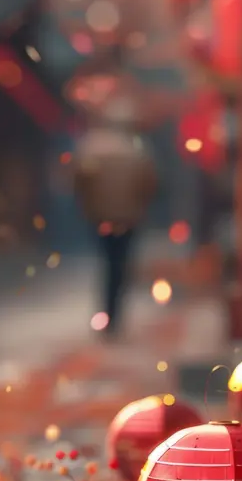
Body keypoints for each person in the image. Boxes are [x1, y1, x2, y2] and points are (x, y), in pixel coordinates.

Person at [73, 97, 156, 334]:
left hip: (100, 217)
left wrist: (87, 208)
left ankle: (106, 313)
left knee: (107, 264)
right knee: (120, 266)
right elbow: (150, 184)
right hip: (128, 219)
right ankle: (114, 316)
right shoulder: (138, 148)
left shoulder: (93, 146)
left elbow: (79, 180)